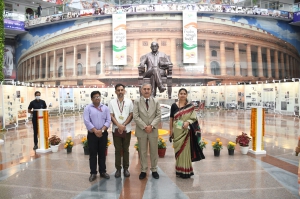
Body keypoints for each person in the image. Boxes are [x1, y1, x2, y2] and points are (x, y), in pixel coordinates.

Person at [169, 88, 205, 179]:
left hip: (187, 132)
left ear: (186, 95)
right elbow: (171, 119)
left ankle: (186, 171)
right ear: (178, 95)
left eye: (184, 93)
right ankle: (179, 170)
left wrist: (188, 122)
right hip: (177, 131)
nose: (182, 95)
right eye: (181, 93)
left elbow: (194, 118)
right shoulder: (173, 106)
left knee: (185, 151)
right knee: (178, 151)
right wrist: (171, 131)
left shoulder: (190, 106)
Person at [133, 83, 161, 180]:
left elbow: (158, 115)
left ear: (151, 90)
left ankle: (154, 169)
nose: (146, 91)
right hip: (142, 130)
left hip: (153, 130)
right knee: (142, 151)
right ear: (141, 90)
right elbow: (135, 116)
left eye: (148, 89)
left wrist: (152, 126)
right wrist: (145, 126)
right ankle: (143, 170)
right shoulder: (137, 102)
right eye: (144, 89)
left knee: (154, 151)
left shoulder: (156, 101)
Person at [83, 91, 111, 182]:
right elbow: (87, 121)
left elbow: (108, 120)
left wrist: (102, 130)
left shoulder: (105, 108)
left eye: (98, 96)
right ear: (91, 99)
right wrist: (95, 130)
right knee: (93, 154)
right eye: (95, 97)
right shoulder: (87, 108)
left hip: (103, 134)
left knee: (102, 153)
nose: (97, 98)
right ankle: (93, 173)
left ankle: (103, 171)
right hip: (92, 135)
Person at [109, 84, 133, 178]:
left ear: (124, 91)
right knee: (117, 149)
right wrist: (118, 125)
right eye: (118, 90)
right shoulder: (111, 102)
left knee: (126, 149)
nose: (120, 92)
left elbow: (131, 114)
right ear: (115, 92)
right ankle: (118, 169)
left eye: (122, 90)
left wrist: (124, 125)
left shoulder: (129, 101)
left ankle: (126, 168)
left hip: (127, 129)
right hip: (116, 130)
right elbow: (111, 115)